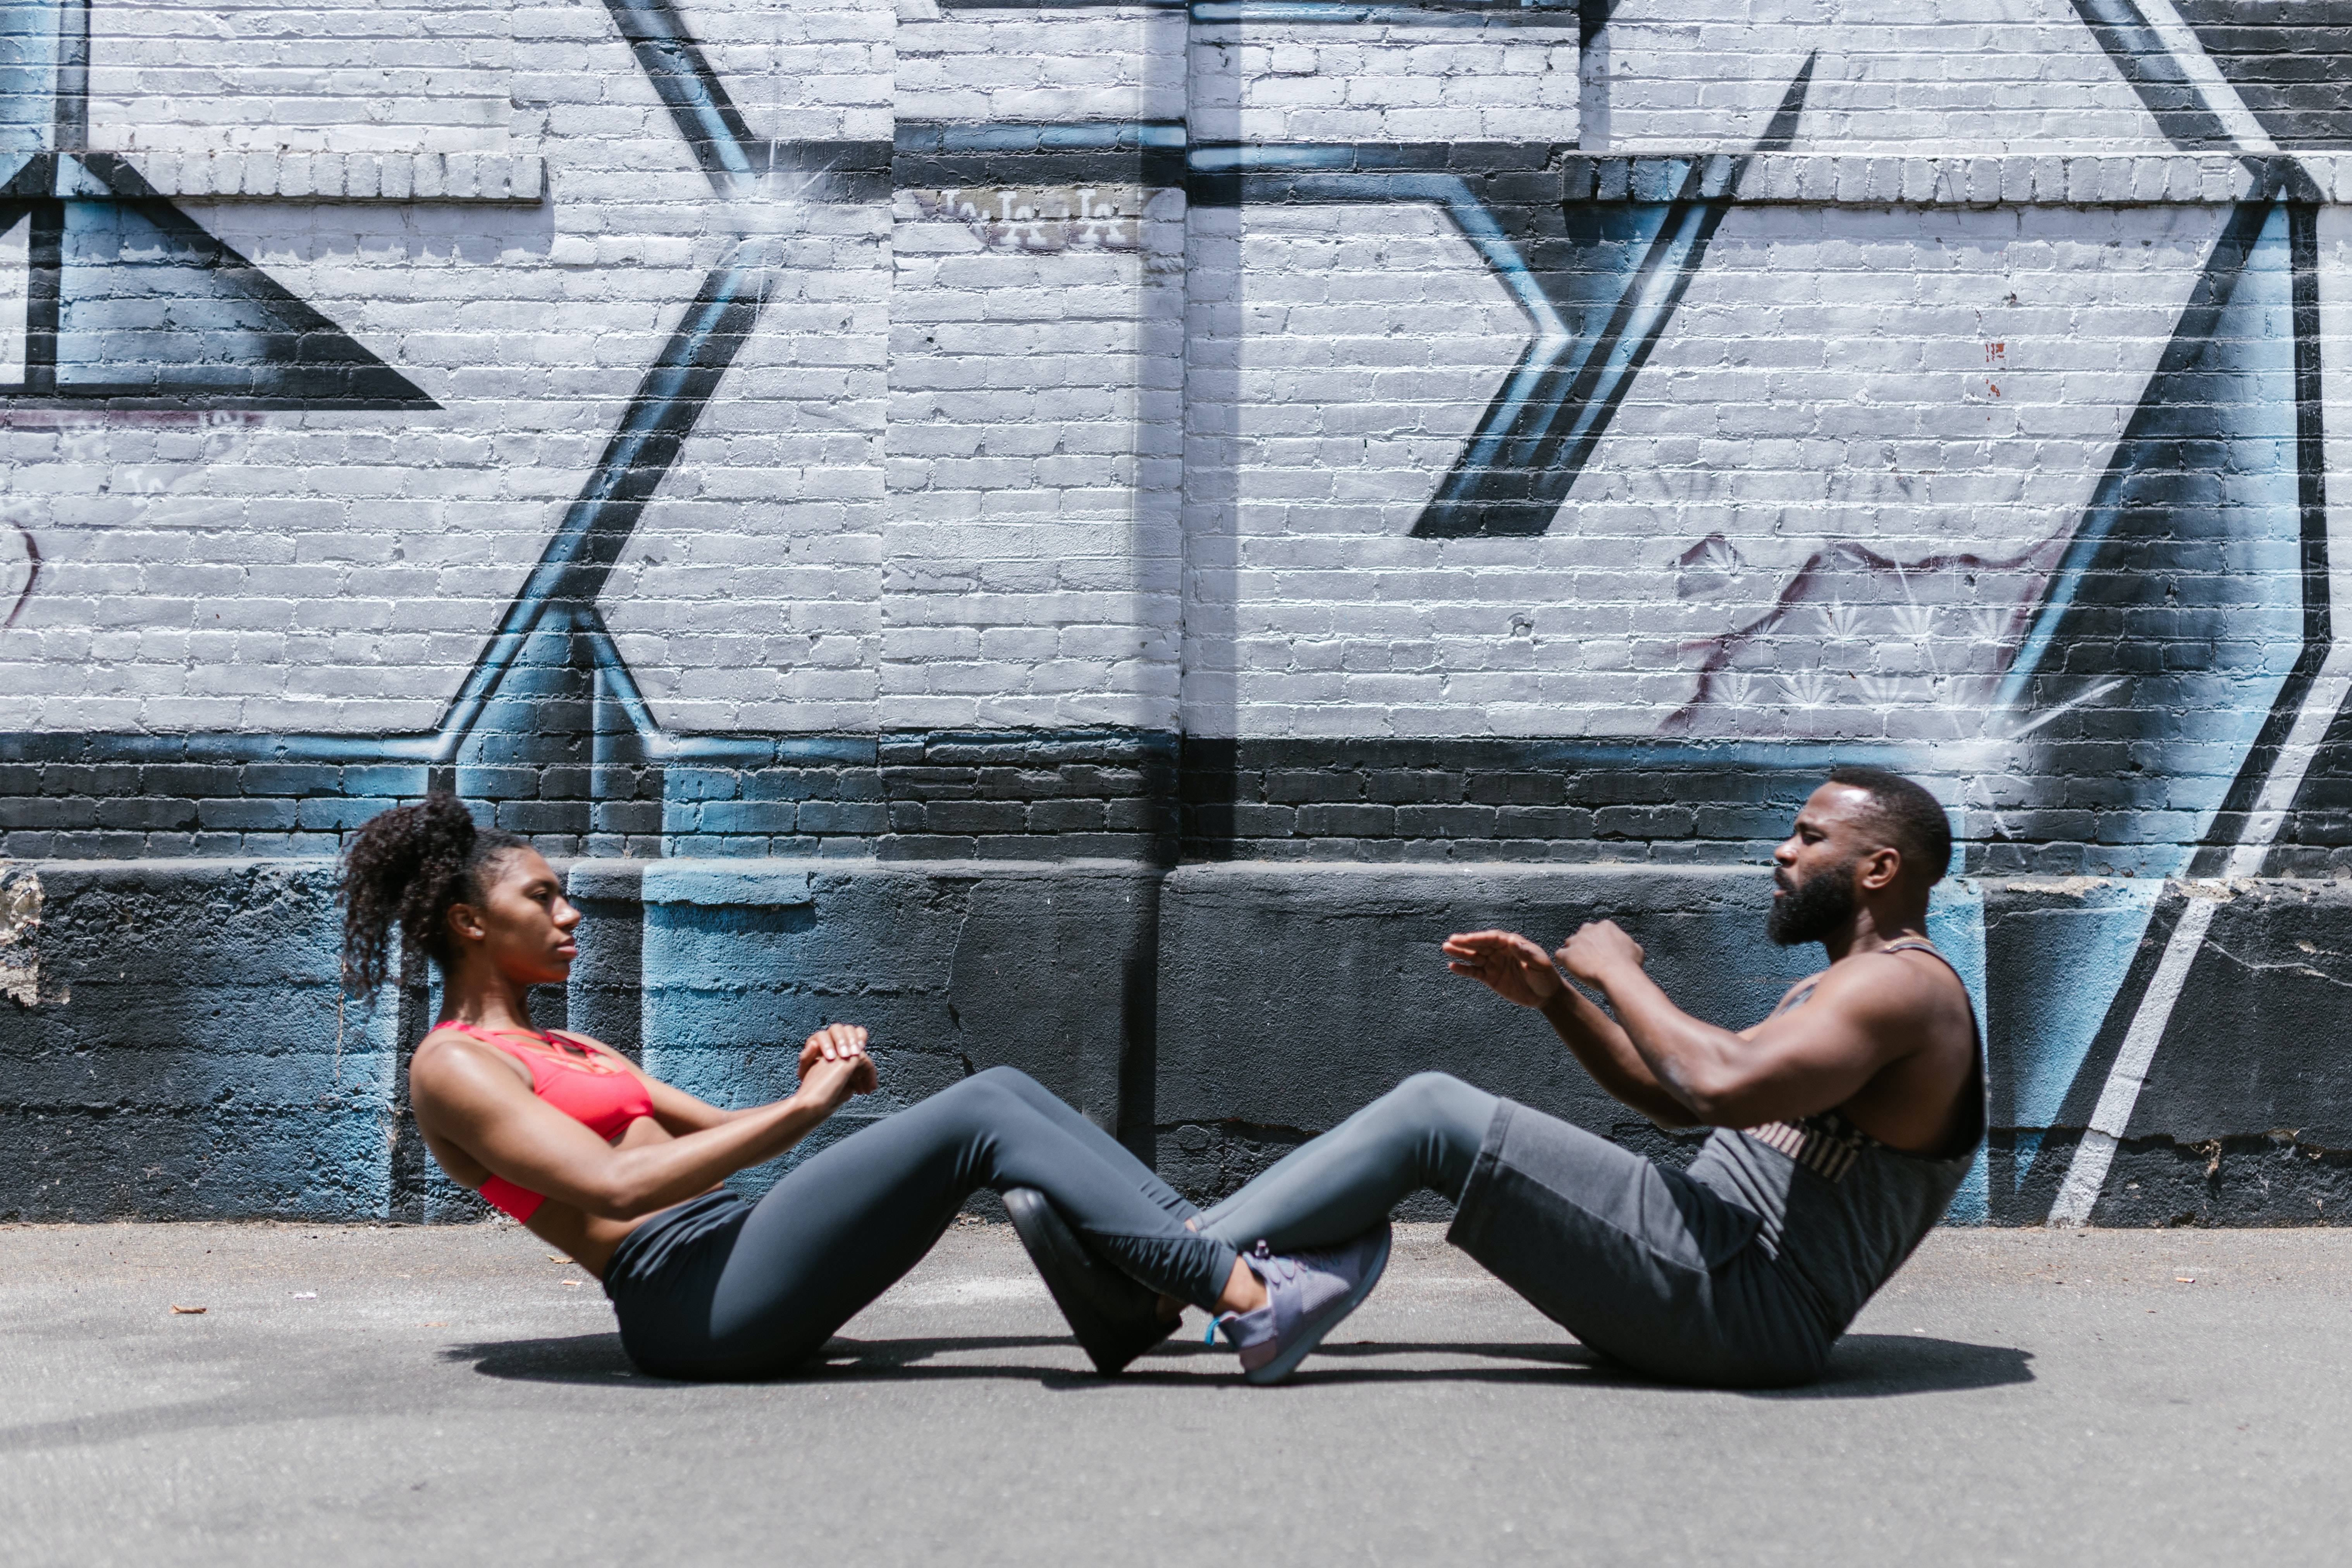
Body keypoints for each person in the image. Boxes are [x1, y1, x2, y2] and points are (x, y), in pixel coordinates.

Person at [338, 793, 1388, 1382]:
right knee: (982, 1113)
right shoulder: (455, 1069)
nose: (570, 915)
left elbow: (729, 1139)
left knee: (1001, 1095)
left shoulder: (577, 1053)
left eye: (566, 896)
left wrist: (815, 1088)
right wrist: (801, 1116)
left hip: (736, 1252)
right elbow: (613, 1194)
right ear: (470, 924)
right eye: (543, 897)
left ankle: (1165, 1288)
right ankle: (1248, 1303)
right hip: (688, 1302)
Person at [1170, 766, 1984, 1387]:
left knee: (1432, 1112)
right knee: (1431, 1110)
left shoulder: (1900, 986)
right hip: (1714, 1257)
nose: (1783, 851)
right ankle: (1178, 1258)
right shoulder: (1851, 984)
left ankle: (1167, 1264)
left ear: (1878, 869)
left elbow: (1718, 1083)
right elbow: (1671, 1098)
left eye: (1810, 838)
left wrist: (1618, 972)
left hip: (1745, 1299)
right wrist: (1558, 998)